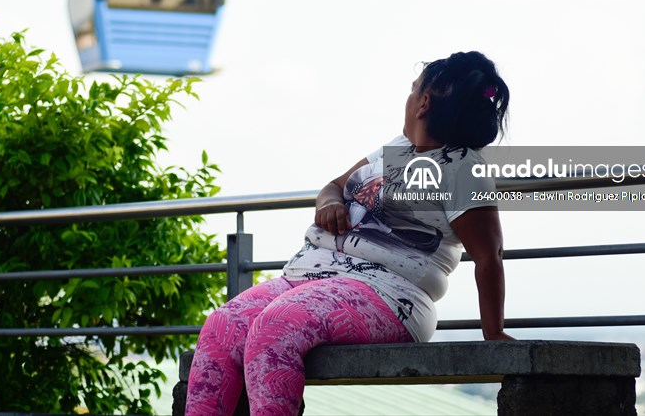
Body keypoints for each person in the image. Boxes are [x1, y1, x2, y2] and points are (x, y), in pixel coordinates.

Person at [184, 51, 513, 416]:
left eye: (413, 90)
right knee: (222, 326)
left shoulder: (463, 167)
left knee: (274, 328)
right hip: (310, 276)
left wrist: (493, 332)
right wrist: (329, 204)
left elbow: (488, 254)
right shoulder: (397, 149)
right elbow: (334, 185)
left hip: (389, 294)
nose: (407, 98)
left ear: (423, 103)